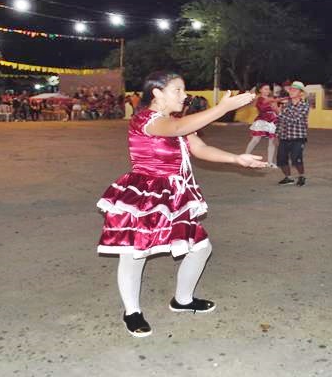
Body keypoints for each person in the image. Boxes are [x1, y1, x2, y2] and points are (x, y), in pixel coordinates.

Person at [96, 71, 265, 338]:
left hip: (174, 193)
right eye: (177, 90)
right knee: (135, 253)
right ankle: (132, 312)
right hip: (145, 192)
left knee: (200, 248)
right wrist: (222, 108)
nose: (184, 95)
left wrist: (236, 159)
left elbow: (198, 148)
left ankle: (183, 300)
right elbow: (177, 130)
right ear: (157, 93)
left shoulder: (176, 121)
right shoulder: (145, 119)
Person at [276, 81, 310, 187]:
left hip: (298, 137)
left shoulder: (304, 106)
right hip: (284, 136)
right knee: (281, 159)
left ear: (301, 93)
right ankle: (288, 178)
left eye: (295, 90)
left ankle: (301, 176)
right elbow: (280, 121)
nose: (291, 91)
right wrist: (276, 134)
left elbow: (294, 119)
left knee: (296, 158)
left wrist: (279, 112)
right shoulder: (286, 105)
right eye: (291, 89)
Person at [245, 84, 280, 167]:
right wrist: (251, 94)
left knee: (272, 142)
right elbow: (249, 104)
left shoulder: (272, 99)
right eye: (265, 89)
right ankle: (245, 157)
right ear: (260, 90)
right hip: (262, 120)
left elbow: (277, 110)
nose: (268, 91)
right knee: (255, 139)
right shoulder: (257, 98)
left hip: (271, 121)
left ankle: (270, 162)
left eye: (268, 89)